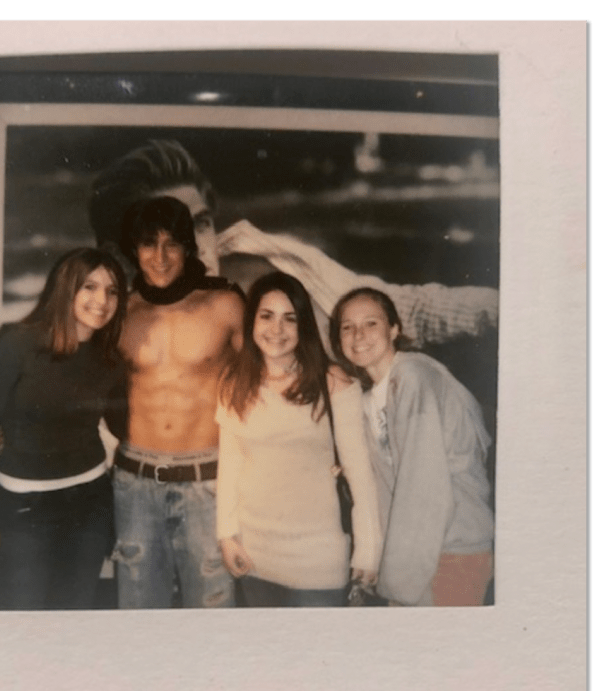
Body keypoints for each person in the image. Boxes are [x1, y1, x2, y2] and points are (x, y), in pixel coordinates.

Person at [89, 139, 499, 350]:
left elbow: (408, 313)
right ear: (119, 256)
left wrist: (513, 314)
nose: (195, 249)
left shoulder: (277, 300)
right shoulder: (106, 340)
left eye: (201, 225)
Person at [0, 248, 128, 609]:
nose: (102, 300)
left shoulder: (110, 359)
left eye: (112, 290)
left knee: (74, 613)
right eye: (89, 286)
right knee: (21, 619)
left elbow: (125, 426)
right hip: (24, 509)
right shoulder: (15, 347)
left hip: (90, 504)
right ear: (66, 288)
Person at [216, 272, 382, 607]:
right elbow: (230, 464)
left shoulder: (333, 382)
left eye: (289, 319)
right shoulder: (235, 381)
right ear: (251, 322)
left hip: (318, 558)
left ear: (303, 326)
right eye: (266, 316)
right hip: (254, 553)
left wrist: (368, 552)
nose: (276, 330)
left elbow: (360, 475)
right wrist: (226, 536)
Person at [111, 196, 244, 608]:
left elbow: (266, 377)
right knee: (138, 611)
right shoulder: (120, 310)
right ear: (134, 249)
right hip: (135, 484)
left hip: (208, 481)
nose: (161, 256)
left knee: (212, 610)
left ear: (189, 247)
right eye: (149, 244)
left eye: (172, 243)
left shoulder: (224, 304)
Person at [329, 288, 494, 607]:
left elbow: (423, 487)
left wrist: (396, 585)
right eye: (347, 327)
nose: (359, 335)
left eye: (371, 323)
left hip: (452, 551)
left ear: (394, 329)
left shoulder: (414, 377)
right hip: (419, 556)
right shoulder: (371, 399)